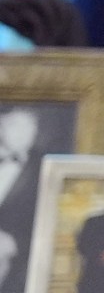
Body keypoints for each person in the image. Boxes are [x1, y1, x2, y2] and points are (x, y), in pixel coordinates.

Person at [0, 110, 41, 293]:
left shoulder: (42, 170)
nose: (24, 132)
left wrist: (16, 243)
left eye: (30, 127)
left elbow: (46, 221)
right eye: (16, 125)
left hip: (15, 265)